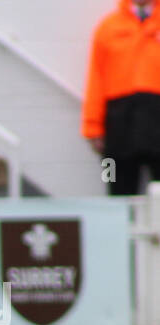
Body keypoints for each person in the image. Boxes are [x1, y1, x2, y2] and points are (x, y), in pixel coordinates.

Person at [83, 0, 160, 195]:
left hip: (157, 115)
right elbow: (96, 78)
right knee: (115, 183)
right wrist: (92, 126)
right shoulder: (108, 27)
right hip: (118, 123)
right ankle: (117, 225)